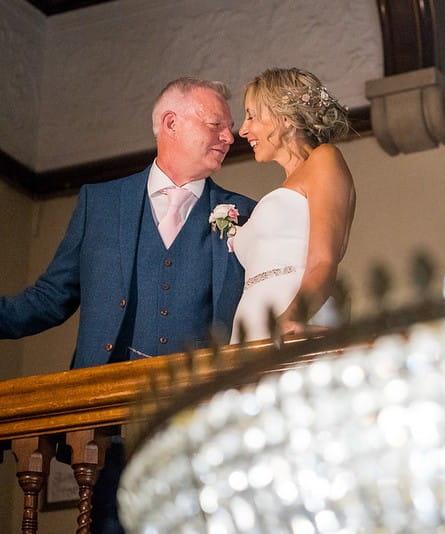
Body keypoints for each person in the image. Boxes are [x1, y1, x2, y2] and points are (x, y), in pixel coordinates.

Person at [0, 77, 257, 532]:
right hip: (104, 434)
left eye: (230, 126)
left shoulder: (244, 213)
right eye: (216, 123)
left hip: (200, 430)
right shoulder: (100, 203)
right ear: (170, 123)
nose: (229, 136)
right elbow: (50, 297)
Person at [229, 67, 355, 343]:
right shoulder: (286, 185)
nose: (243, 130)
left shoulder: (324, 159)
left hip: (293, 313)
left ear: (284, 119)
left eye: (251, 116)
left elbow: (324, 259)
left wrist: (291, 318)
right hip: (251, 320)